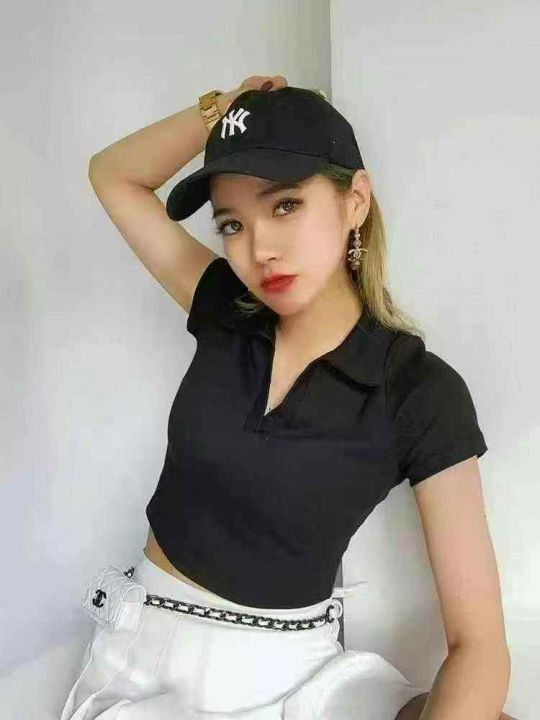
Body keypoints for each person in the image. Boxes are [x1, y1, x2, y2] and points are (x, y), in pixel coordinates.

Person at [59, 76, 514, 719]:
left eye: (285, 206)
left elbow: (480, 646)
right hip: (149, 664)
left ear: (355, 200)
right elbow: (114, 176)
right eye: (231, 224)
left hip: (298, 674)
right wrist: (222, 111)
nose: (259, 251)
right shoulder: (226, 311)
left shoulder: (418, 390)